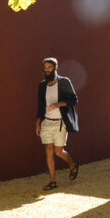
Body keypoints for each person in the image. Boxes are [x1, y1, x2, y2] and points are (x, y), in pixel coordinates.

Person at [35, 57, 80, 190]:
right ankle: (53, 181)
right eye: (45, 68)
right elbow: (40, 106)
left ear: (55, 68)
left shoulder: (64, 82)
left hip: (61, 122)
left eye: (49, 68)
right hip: (46, 123)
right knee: (48, 151)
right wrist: (37, 122)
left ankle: (72, 164)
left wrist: (58, 104)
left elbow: (74, 99)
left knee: (58, 151)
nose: (46, 70)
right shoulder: (42, 85)